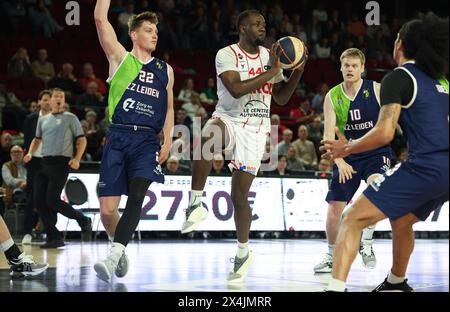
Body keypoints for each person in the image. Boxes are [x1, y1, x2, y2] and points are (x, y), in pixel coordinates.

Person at [321, 13, 448, 292]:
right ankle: (396, 282)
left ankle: (334, 287)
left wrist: (347, 147)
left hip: (425, 166)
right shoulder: (440, 80)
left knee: (351, 219)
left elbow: (385, 133)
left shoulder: (399, 77)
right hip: (446, 170)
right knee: (402, 220)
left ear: (400, 44)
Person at [181, 9, 307, 283]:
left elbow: (282, 98)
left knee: (239, 196)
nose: (263, 27)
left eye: (264, 22)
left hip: (257, 130)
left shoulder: (269, 56)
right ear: (242, 27)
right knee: (206, 138)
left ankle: (242, 253)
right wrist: (274, 70)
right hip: (229, 117)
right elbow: (237, 89)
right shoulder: (226, 54)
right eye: (257, 23)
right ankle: (195, 203)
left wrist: (296, 72)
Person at [93, 0, 174, 283]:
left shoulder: (166, 70)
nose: (155, 34)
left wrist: (167, 141)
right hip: (117, 136)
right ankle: (120, 244)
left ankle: (114, 254)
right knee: (107, 211)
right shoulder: (119, 58)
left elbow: (170, 108)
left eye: (156, 30)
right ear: (134, 34)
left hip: (146, 141)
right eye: (149, 30)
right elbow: (100, 20)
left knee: (138, 195)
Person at [313, 48, 393, 274]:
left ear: (362, 68)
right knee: (334, 207)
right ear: (340, 67)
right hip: (347, 155)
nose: (349, 69)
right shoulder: (332, 96)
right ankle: (331, 255)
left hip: (376, 152)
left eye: (354, 66)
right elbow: (328, 137)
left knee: (377, 185)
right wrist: (339, 162)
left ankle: (366, 242)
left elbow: (389, 122)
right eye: (346, 65)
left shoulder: (376, 89)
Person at [24, 88, 92, 249]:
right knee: (39, 201)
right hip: (44, 163)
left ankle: (83, 219)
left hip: (61, 163)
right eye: (55, 96)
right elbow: (36, 139)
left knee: (52, 200)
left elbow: (82, 140)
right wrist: (30, 153)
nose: (58, 99)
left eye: (61, 96)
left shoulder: (71, 118)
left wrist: (77, 159)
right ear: (51, 100)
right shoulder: (43, 120)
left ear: (64, 101)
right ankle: (54, 236)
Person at [22, 90, 53, 245]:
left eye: (49, 99)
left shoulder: (57, 119)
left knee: (50, 198)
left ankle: (50, 231)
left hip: (51, 162)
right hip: (34, 162)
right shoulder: (31, 119)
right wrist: (28, 155)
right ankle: (28, 231)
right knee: (32, 198)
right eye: (45, 100)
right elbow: (28, 140)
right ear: (39, 101)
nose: (47, 102)